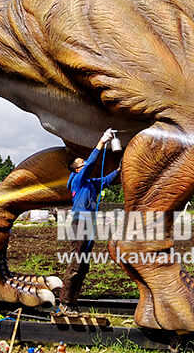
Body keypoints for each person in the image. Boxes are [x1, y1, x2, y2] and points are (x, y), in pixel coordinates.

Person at [60, 128, 121, 304]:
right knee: (77, 261)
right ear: (77, 169)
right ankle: (65, 302)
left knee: (84, 264)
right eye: (82, 162)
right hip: (80, 222)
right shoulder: (77, 180)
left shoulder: (92, 183)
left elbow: (107, 180)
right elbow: (91, 164)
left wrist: (119, 169)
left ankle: (72, 300)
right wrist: (102, 142)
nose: (85, 162)